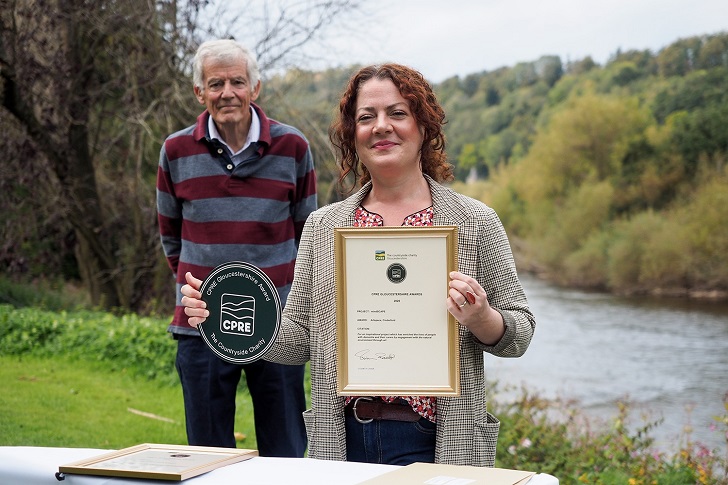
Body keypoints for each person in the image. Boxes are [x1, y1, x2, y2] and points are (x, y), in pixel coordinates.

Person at [180, 63, 534, 466]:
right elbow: (299, 339)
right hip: (343, 438)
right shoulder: (324, 226)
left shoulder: (475, 222)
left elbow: (520, 333)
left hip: (439, 441)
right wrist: (224, 317)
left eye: (397, 113)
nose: (381, 126)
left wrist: (482, 316)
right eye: (367, 117)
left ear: (424, 126)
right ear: (353, 134)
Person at [156, 39, 316, 456]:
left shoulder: (293, 147)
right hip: (200, 325)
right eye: (215, 83)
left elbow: (307, 236)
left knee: (286, 453)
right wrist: (200, 288)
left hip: (279, 323)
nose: (227, 92)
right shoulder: (175, 151)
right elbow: (170, 236)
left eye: (237, 82)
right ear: (199, 93)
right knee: (208, 457)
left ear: (255, 88)